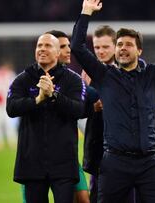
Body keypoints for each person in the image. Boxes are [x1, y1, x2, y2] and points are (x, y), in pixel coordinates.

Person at [70, 0, 155, 202]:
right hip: (115, 162)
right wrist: (85, 12)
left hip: (149, 162)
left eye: (129, 44)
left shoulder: (152, 74)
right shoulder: (104, 75)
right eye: (120, 44)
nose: (123, 48)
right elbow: (78, 47)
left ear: (139, 51)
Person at [6, 33, 86, 203]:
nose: (42, 49)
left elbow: (79, 109)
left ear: (58, 53)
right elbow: (11, 108)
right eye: (39, 46)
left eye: (48, 46)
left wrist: (53, 95)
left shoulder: (73, 80)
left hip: (63, 164)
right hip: (31, 163)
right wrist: (37, 100)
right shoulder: (22, 79)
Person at [46, 30, 90, 203]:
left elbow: (82, 107)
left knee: (83, 199)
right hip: (36, 158)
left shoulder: (74, 80)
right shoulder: (32, 79)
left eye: (68, 46)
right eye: (63, 46)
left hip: (67, 157)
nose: (68, 50)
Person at [81, 25, 116, 203]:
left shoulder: (129, 70)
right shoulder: (87, 74)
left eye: (105, 47)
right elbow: (81, 111)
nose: (100, 51)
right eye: (97, 47)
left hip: (124, 149)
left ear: (116, 46)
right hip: (98, 147)